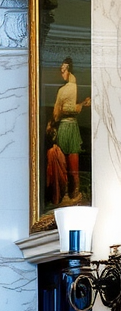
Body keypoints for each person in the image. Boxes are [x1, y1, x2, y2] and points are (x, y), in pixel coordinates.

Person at [47, 56, 90, 205]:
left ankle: (73, 193)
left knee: (71, 164)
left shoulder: (71, 87)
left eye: (64, 70)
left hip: (69, 127)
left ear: (70, 71)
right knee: (67, 164)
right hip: (67, 126)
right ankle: (69, 193)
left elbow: (62, 110)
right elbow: (63, 109)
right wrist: (82, 104)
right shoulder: (66, 88)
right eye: (61, 70)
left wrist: (81, 105)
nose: (62, 73)